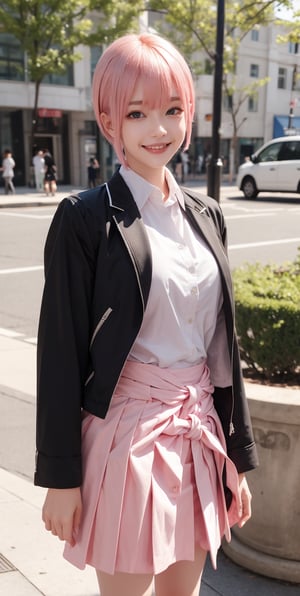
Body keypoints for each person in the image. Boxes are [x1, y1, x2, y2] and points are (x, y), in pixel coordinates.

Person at [35, 33, 258, 596]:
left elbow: (221, 347)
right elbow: (60, 352)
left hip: (198, 433)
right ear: (109, 119)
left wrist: (238, 455)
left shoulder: (206, 215)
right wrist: (61, 477)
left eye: (172, 110)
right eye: (138, 113)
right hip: (127, 437)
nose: (159, 129)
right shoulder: (84, 219)